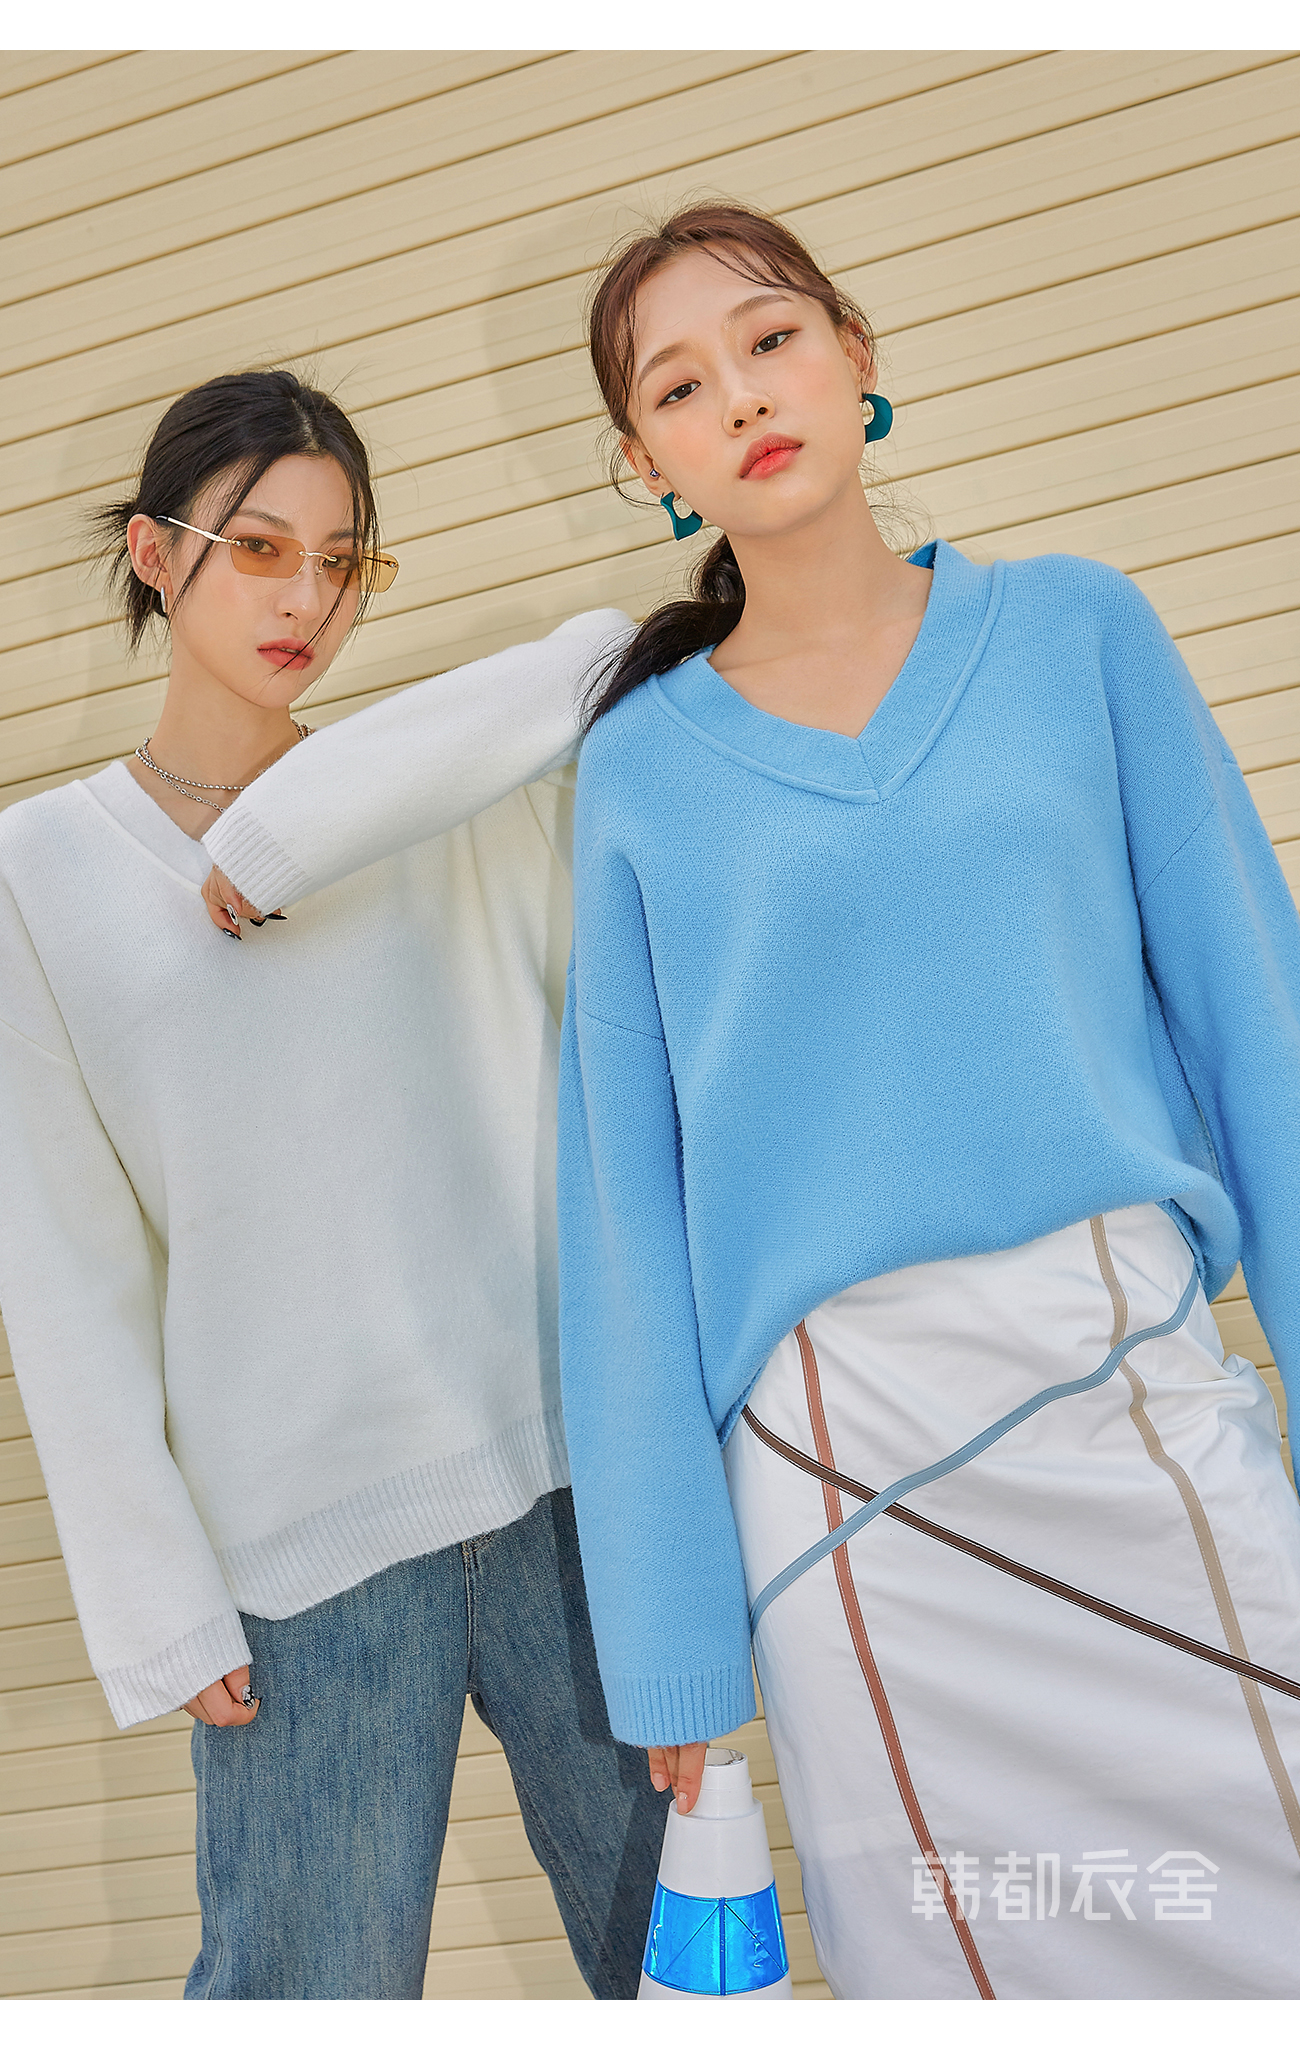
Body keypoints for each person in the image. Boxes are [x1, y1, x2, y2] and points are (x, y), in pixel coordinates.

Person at [553, 201, 1300, 1998]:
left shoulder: (1077, 633)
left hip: (1133, 1399)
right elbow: (621, 1214)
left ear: (856, 355)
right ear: (644, 461)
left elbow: (1263, 1040)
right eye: (679, 386)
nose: (743, 397)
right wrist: (672, 1644)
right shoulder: (638, 770)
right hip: (848, 1490)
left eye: (770, 340)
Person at [0, 368, 668, 2001]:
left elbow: (614, 654)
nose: (306, 599)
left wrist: (300, 826)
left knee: (684, 1964)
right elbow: (61, 1266)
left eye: (344, 561)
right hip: (305, 1552)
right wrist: (155, 1601)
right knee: (302, 1996)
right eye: (258, 550)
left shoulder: (433, 801)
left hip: (564, 1491)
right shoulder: (35, 876)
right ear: (154, 554)